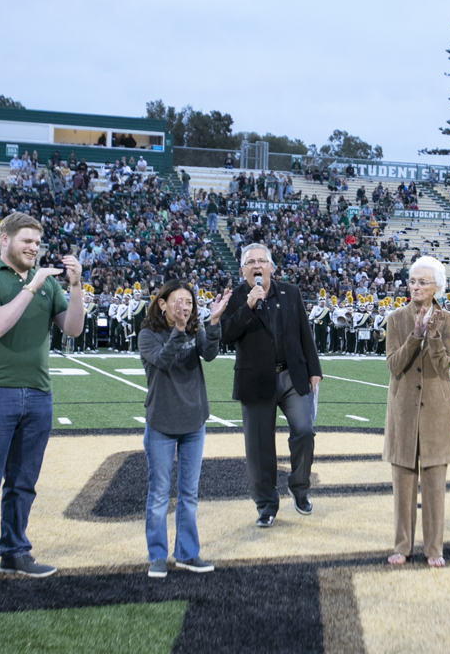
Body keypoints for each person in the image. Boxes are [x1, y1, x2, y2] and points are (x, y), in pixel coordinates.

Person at [0, 212, 84, 596]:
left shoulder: (47, 285)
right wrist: (31, 286)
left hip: (38, 394)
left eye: (37, 242)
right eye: (25, 240)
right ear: (3, 239)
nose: (33, 248)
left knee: (23, 484)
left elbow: (73, 329)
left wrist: (76, 287)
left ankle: (14, 551)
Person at [220, 243, 322, 528]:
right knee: (259, 447)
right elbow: (226, 335)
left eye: (261, 261)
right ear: (243, 270)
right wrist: (249, 306)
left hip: (292, 375)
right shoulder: (237, 297)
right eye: (250, 262)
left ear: (271, 267)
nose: (256, 266)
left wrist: (314, 370)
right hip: (255, 379)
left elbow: (305, 330)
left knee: (304, 430)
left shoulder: (290, 292)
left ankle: (299, 487)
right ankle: (266, 504)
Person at [138, 280, 230, 579]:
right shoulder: (148, 334)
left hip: (193, 421)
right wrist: (179, 331)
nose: (185, 307)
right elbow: (163, 361)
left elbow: (210, 354)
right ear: (162, 304)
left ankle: (187, 553)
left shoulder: (194, 328)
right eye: (178, 301)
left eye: (189, 302)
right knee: (159, 495)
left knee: (189, 494)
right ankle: (157, 556)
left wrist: (213, 321)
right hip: (162, 422)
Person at [383, 256, 450, 567]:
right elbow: (394, 364)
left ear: (437, 287)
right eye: (412, 281)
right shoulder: (396, 318)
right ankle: (402, 546)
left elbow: (444, 366)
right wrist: (415, 335)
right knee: (402, 483)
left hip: (436, 412)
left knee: (435, 485)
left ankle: (434, 549)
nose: (415, 286)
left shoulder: (449, 320)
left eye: (422, 282)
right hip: (402, 411)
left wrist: (435, 336)